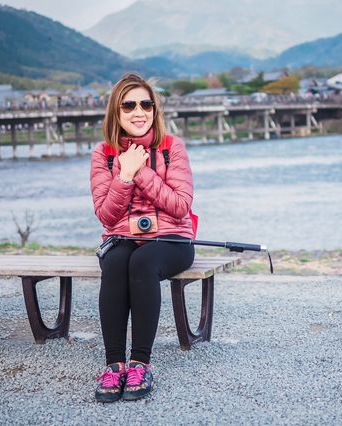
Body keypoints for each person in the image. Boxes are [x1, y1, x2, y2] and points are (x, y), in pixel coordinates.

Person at [90, 72, 195, 403]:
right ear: (116, 112)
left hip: (172, 239)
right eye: (129, 105)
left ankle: (140, 363)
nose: (139, 111)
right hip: (121, 238)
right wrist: (122, 174)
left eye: (146, 104)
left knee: (144, 261)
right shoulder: (103, 153)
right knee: (117, 261)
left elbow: (180, 206)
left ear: (155, 109)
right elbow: (106, 216)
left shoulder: (171, 147)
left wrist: (141, 171)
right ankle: (113, 365)